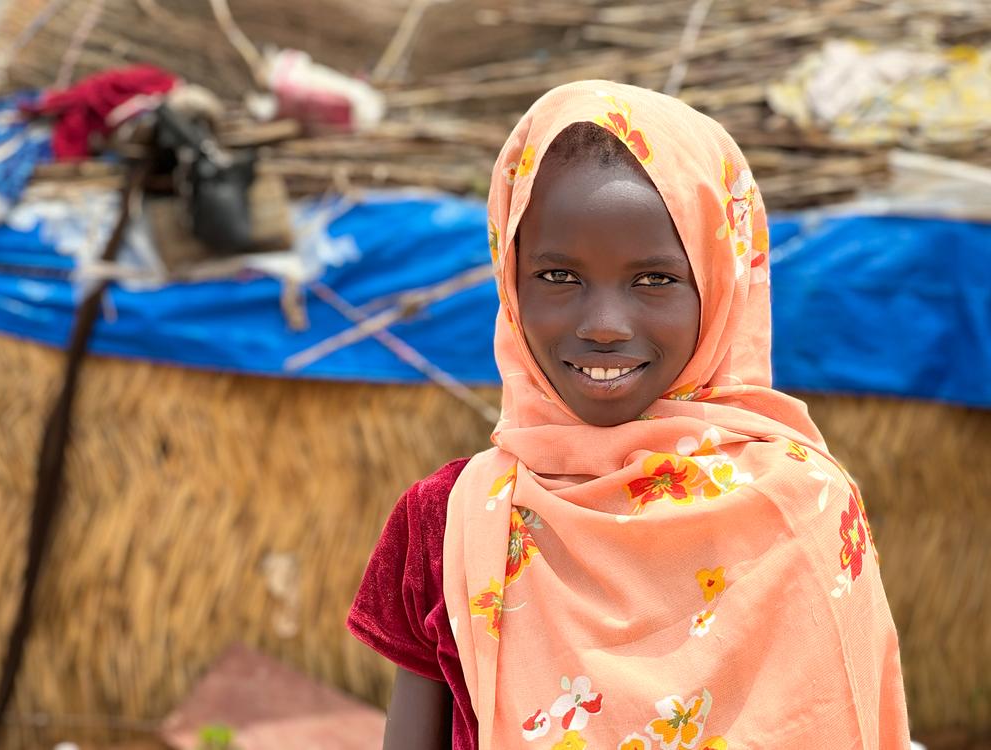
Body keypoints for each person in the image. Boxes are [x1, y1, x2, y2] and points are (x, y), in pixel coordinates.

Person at [347, 80, 909, 750]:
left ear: (719, 282)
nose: (606, 325)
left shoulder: (801, 507)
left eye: (654, 280)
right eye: (559, 278)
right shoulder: (445, 523)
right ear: (510, 280)